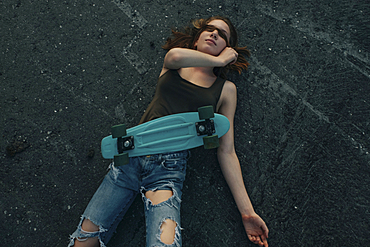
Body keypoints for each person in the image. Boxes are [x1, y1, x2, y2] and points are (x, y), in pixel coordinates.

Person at [68, 16, 269, 247]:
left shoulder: (226, 90)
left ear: (229, 48)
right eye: (209, 29)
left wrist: (247, 212)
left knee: (164, 243)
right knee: (83, 242)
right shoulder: (176, 63)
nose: (214, 34)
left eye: (222, 35)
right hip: (129, 157)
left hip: (166, 172)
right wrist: (221, 60)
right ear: (196, 41)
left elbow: (227, 151)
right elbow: (173, 55)